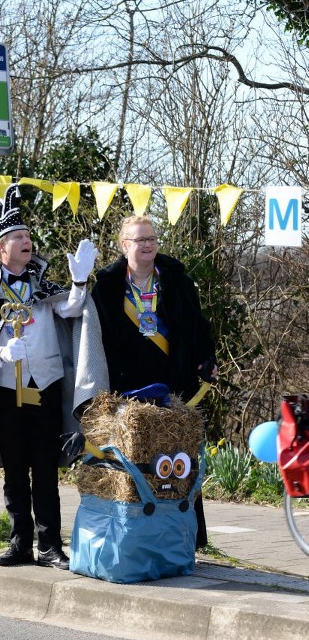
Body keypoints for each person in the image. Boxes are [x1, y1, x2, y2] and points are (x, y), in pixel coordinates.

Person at [0, 184, 108, 569]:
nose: (27, 241)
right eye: (18, 237)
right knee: (14, 471)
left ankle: (49, 546)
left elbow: (73, 310)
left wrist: (80, 280)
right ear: (0, 248)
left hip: (44, 389)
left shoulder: (44, 286)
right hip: (4, 393)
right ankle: (19, 543)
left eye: (28, 236)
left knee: (45, 470)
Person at [89, 214, 218, 548]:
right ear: (123, 245)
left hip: (174, 384)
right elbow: (95, 339)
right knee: (136, 464)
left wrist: (207, 360)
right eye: (139, 240)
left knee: (180, 460)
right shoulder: (105, 287)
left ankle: (186, 537)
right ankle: (135, 538)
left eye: (151, 239)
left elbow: (198, 328)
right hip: (127, 388)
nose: (147, 245)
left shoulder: (177, 280)